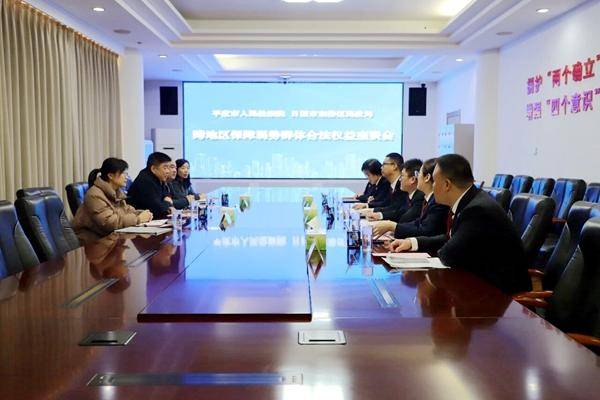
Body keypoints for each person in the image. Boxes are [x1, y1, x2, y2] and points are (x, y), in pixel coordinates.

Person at [389, 153, 530, 294]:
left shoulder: (477, 210)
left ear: (447, 185)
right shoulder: (470, 200)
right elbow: (451, 239)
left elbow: (448, 254)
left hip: (498, 292)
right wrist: (412, 242)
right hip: (478, 281)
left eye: (435, 182)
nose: (432, 186)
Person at [73, 158, 153, 244]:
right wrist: (138, 219)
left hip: (111, 239)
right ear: (110, 175)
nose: (126, 177)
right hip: (93, 242)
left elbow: (126, 210)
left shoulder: (116, 192)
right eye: (123, 173)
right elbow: (108, 223)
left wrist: (141, 213)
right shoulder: (94, 195)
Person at [373, 158, 449, 238]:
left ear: (427, 178)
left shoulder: (437, 201)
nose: (417, 178)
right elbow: (418, 222)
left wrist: (393, 226)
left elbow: (426, 230)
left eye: (418, 174)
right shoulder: (428, 198)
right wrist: (394, 226)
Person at [368, 158, 424, 224]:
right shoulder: (410, 194)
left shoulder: (419, 197)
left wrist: (392, 226)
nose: (400, 179)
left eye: (402, 176)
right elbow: (399, 210)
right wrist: (380, 215)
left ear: (412, 179)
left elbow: (404, 217)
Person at [128, 152, 174, 218]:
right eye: (165, 168)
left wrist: (166, 202)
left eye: (169, 168)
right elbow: (158, 209)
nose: (168, 171)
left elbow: (166, 196)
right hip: (140, 220)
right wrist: (168, 203)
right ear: (153, 169)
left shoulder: (159, 178)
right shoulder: (145, 181)